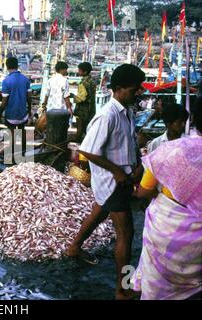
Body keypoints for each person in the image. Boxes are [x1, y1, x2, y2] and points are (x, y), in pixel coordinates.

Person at [66, 64, 146, 300]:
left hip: (121, 180)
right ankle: (122, 288)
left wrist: (138, 163)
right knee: (127, 234)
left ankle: (74, 247)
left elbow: (129, 143)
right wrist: (118, 172)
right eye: (134, 89)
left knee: (99, 211)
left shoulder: (127, 110)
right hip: (114, 183)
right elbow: (87, 151)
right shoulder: (107, 115)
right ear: (119, 89)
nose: (138, 93)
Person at [131, 103, 202, 300]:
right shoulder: (162, 146)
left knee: (157, 289)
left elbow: (144, 192)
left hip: (166, 230)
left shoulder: (168, 151)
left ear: (194, 121)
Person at [0, 57, 32, 163]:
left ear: (7, 66)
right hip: (23, 113)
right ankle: (22, 153)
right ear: (17, 65)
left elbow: (4, 101)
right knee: (22, 132)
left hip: (11, 114)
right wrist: (29, 109)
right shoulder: (25, 79)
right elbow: (29, 97)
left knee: (11, 133)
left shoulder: (6, 81)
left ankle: (10, 154)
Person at [72, 62, 96, 141]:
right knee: (87, 128)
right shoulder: (92, 81)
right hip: (91, 109)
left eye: (79, 70)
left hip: (82, 110)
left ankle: (78, 142)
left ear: (85, 72)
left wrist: (73, 96)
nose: (78, 71)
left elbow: (81, 98)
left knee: (80, 127)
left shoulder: (83, 83)